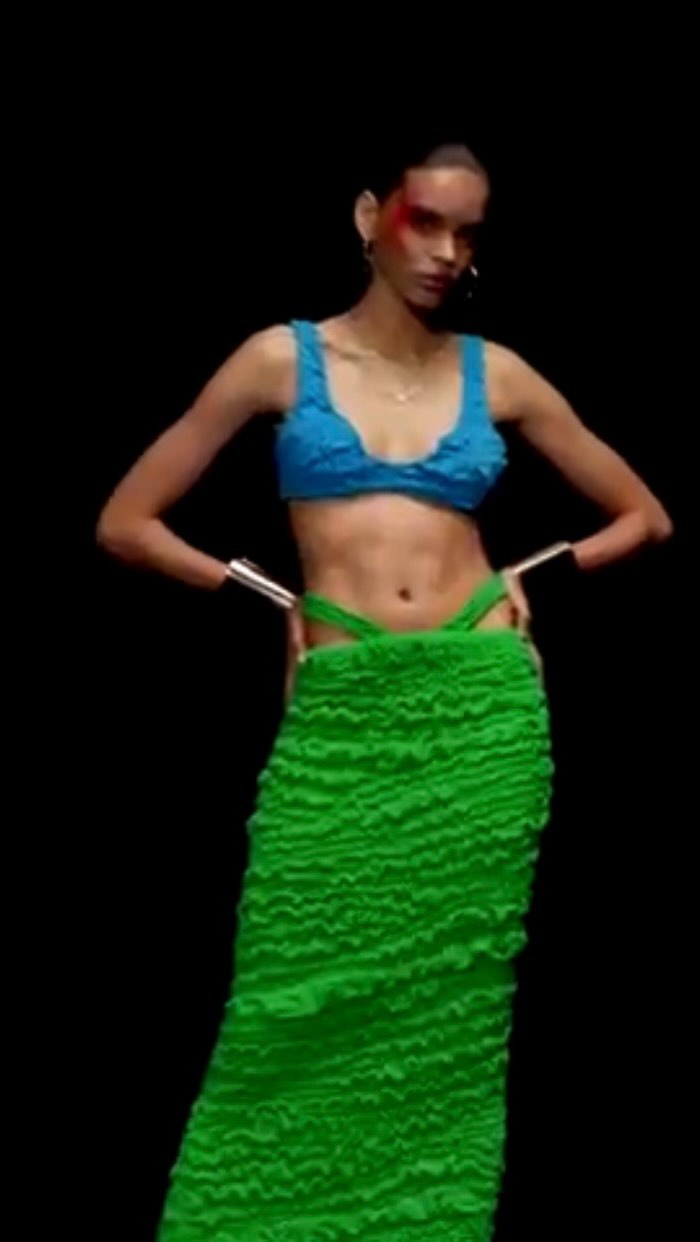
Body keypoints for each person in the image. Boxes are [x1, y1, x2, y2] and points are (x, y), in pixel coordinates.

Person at [98, 139, 672, 1241]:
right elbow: (126, 521)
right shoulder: (280, 359)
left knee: (448, 1019)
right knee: (287, 1000)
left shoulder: (495, 373)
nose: (447, 251)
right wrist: (272, 596)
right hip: (348, 703)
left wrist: (532, 575)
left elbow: (643, 516)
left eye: (468, 233)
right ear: (370, 215)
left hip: (477, 705)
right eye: (425, 221)